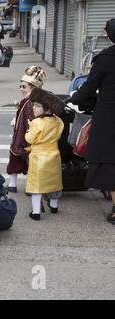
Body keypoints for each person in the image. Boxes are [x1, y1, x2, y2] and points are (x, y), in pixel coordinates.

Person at [70, 18, 115, 224]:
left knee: (108, 163)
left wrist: (73, 98)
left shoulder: (105, 59)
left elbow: (87, 89)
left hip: (109, 118)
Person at [25, 88, 66, 221]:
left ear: (47, 108)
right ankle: (54, 206)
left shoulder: (36, 123)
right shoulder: (58, 121)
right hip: (54, 155)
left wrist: (29, 128)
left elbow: (30, 139)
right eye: (34, 105)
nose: (34, 108)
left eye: (37, 106)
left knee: (36, 185)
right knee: (54, 182)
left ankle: (36, 212)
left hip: (38, 156)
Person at [6, 66, 46, 193]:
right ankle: (21, 185)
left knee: (24, 158)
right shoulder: (29, 100)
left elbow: (31, 119)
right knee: (23, 159)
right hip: (25, 134)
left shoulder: (30, 101)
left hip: (28, 135)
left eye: (24, 87)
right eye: (21, 86)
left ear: (33, 88)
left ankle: (21, 185)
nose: (21, 89)